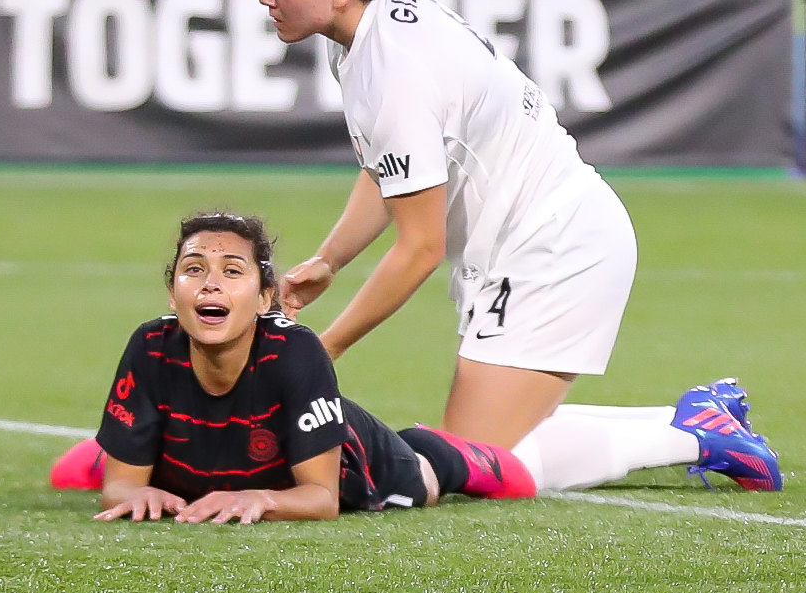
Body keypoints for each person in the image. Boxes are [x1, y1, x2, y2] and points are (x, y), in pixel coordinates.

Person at [258, 0, 783, 494]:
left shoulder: (392, 66)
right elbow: (393, 167)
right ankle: (695, 424)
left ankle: (694, 434)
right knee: (465, 455)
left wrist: (324, 350)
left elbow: (420, 247)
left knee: (461, 465)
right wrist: (329, 261)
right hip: (532, 242)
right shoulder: (365, 33)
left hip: (554, 247)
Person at [50, 211, 538, 524]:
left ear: (266, 299)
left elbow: (321, 500)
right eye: (193, 269)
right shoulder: (151, 345)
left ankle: (445, 451)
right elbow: (123, 488)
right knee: (80, 474)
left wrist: (262, 498)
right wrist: (129, 491)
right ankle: (111, 448)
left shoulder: (296, 354)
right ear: (172, 290)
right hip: (209, 460)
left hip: (345, 456)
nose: (209, 285)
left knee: (430, 482)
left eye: (232, 272)